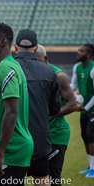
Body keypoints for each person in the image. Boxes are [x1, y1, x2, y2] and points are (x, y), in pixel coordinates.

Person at [0, 22, 34, 186]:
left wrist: (0, 153)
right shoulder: (11, 66)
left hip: (12, 148)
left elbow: (12, 112)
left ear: (3, 42)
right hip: (16, 147)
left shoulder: (6, 67)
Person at [14, 29, 61, 186]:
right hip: (40, 139)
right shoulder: (49, 71)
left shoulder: (5, 69)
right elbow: (55, 108)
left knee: (11, 181)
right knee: (41, 181)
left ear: (15, 47)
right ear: (35, 49)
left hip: (13, 139)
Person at [36, 44, 77, 185]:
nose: (33, 65)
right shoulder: (33, 74)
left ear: (45, 58)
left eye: (37, 60)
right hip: (38, 135)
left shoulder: (59, 76)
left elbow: (72, 104)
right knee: (39, 178)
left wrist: (48, 116)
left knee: (53, 179)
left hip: (56, 134)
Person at [70, 44, 94, 177]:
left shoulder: (93, 69)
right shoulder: (77, 67)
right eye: (78, 50)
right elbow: (73, 85)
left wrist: (87, 107)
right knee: (85, 136)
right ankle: (90, 166)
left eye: (81, 51)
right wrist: (63, 89)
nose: (78, 52)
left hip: (91, 108)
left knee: (91, 136)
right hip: (84, 109)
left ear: (89, 54)